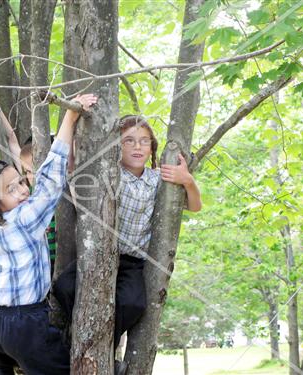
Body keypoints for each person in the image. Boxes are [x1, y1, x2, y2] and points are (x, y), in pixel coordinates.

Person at [52, 115, 202, 372]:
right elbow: (79, 190)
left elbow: (194, 206)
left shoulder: (157, 180)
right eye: (129, 141)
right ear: (116, 146)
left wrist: (187, 180)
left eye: (144, 142)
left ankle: (105, 352)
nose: (137, 147)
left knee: (133, 303)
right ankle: (74, 340)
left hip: (132, 261)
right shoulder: (110, 174)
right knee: (65, 287)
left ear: (152, 148)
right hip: (98, 254)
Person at [0, 91, 97, 375]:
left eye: (21, 182)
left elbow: (11, 145)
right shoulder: (26, 219)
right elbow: (52, 177)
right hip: (24, 326)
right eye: (12, 189)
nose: (23, 190)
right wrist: (70, 115)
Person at [0, 77, 61, 276]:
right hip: (34, 271)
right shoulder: (24, 191)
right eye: (29, 171)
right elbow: (9, 138)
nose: (34, 176)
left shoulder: (62, 188)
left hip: (61, 267)